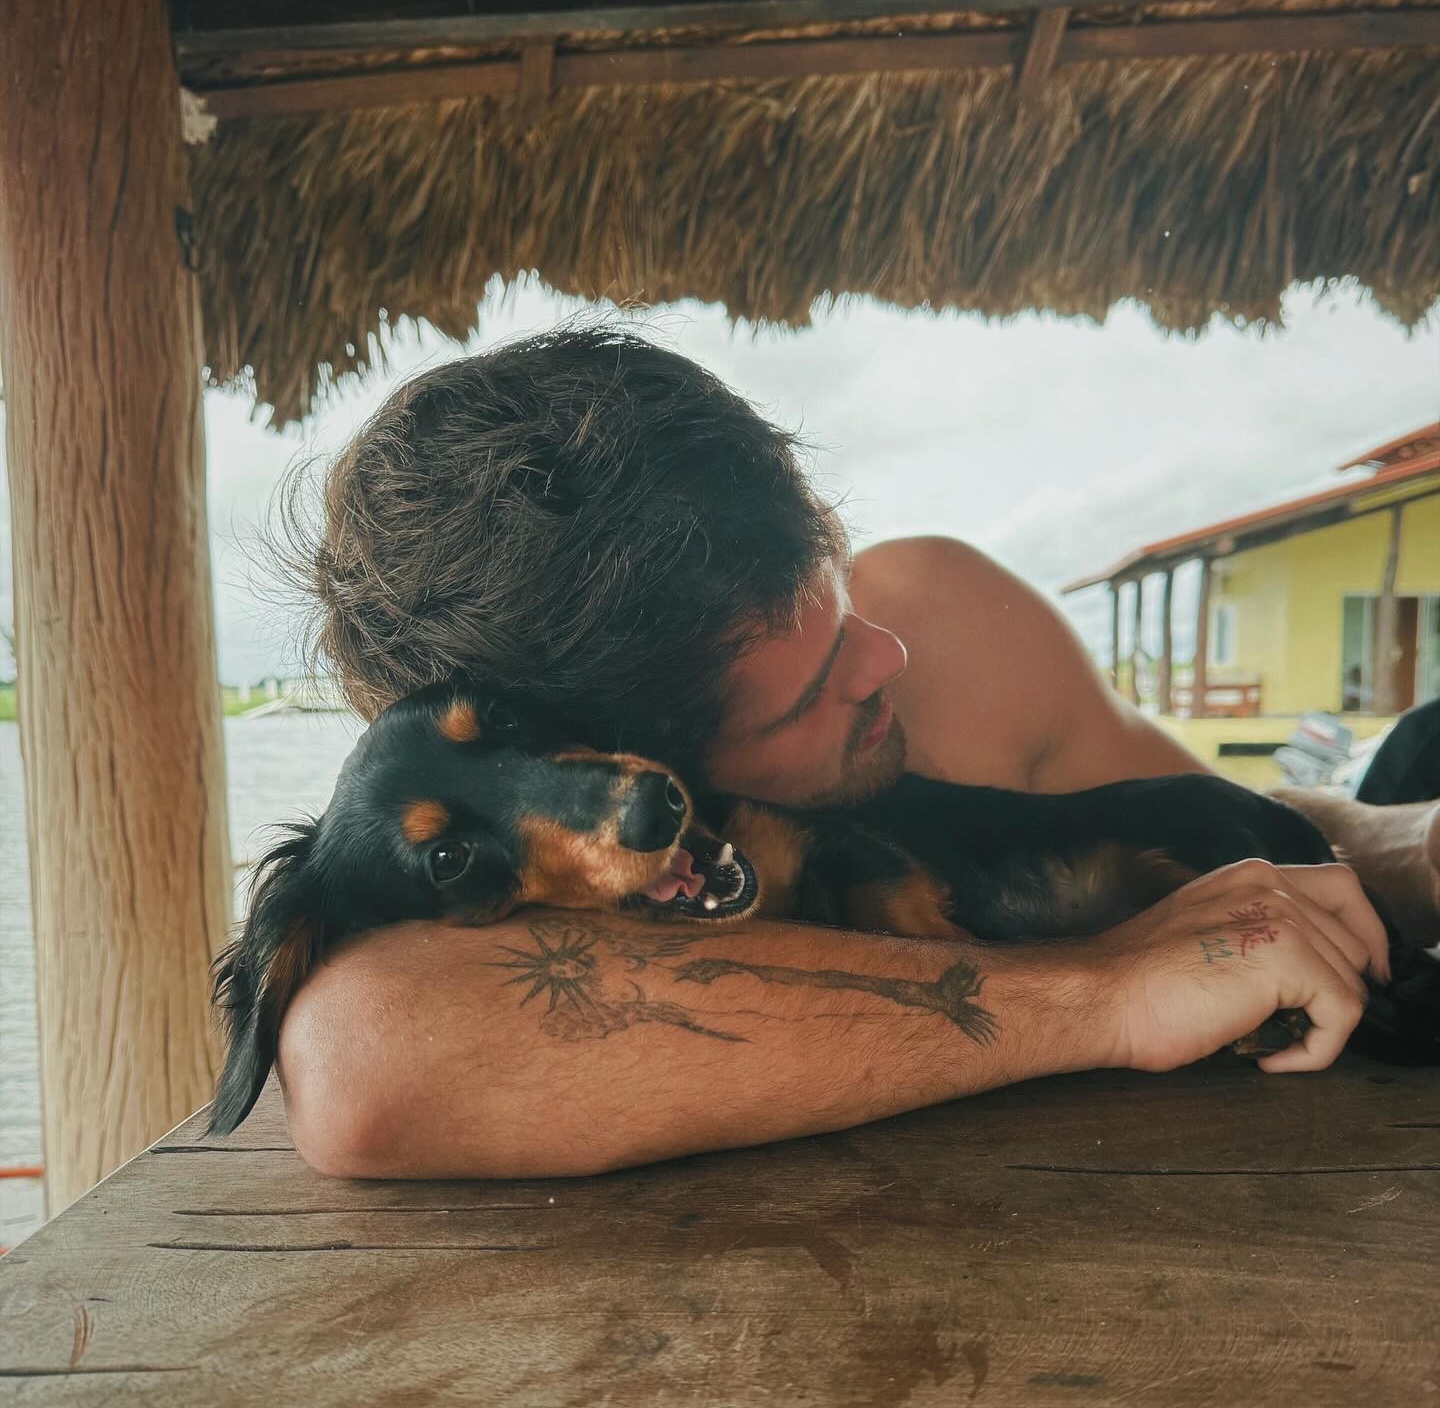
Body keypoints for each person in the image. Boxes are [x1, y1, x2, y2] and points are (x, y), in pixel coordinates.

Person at [276, 327, 1429, 1181]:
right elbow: (358, 1066)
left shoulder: (940, 613)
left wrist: (1400, 839)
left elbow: (1215, 816)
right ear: (632, 780)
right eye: (806, 694)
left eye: (829, 581)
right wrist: (1114, 992)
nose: (883, 659)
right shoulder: (488, 855)